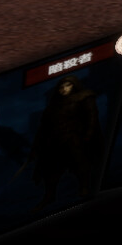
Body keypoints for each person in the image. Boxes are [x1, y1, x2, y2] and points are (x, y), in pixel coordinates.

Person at [31, 75, 102, 208]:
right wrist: (36, 147)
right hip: (55, 141)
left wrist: (88, 135)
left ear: (74, 86)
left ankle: (84, 188)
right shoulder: (54, 106)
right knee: (51, 169)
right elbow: (44, 128)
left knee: (81, 163)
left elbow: (92, 117)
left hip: (74, 138)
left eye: (68, 85)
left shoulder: (83, 97)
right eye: (61, 87)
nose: (64, 89)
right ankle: (49, 195)